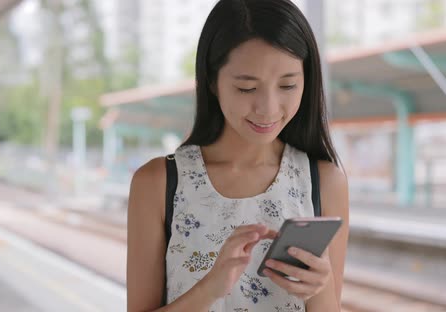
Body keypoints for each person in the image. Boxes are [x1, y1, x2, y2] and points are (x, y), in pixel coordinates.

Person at [126, 0, 349, 311]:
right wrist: (210, 288)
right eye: (246, 88)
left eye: (287, 85)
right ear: (212, 82)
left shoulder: (324, 181)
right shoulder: (158, 183)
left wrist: (318, 289)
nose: (269, 108)